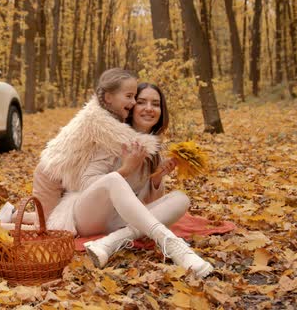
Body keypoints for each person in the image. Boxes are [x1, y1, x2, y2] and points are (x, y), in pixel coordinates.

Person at [35, 69, 213, 278]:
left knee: (181, 198)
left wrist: (156, 179)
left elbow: (143, 205)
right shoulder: (111, 138)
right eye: (141, 101)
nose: (149, 108)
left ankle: (112, 241)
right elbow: (85, 184)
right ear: (131, 107)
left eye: (155, 104)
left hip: (118, 221)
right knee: (113, 180)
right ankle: (173, 245)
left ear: (161, 111)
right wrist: (126, 169)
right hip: (87, 215)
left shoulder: (152, 147)